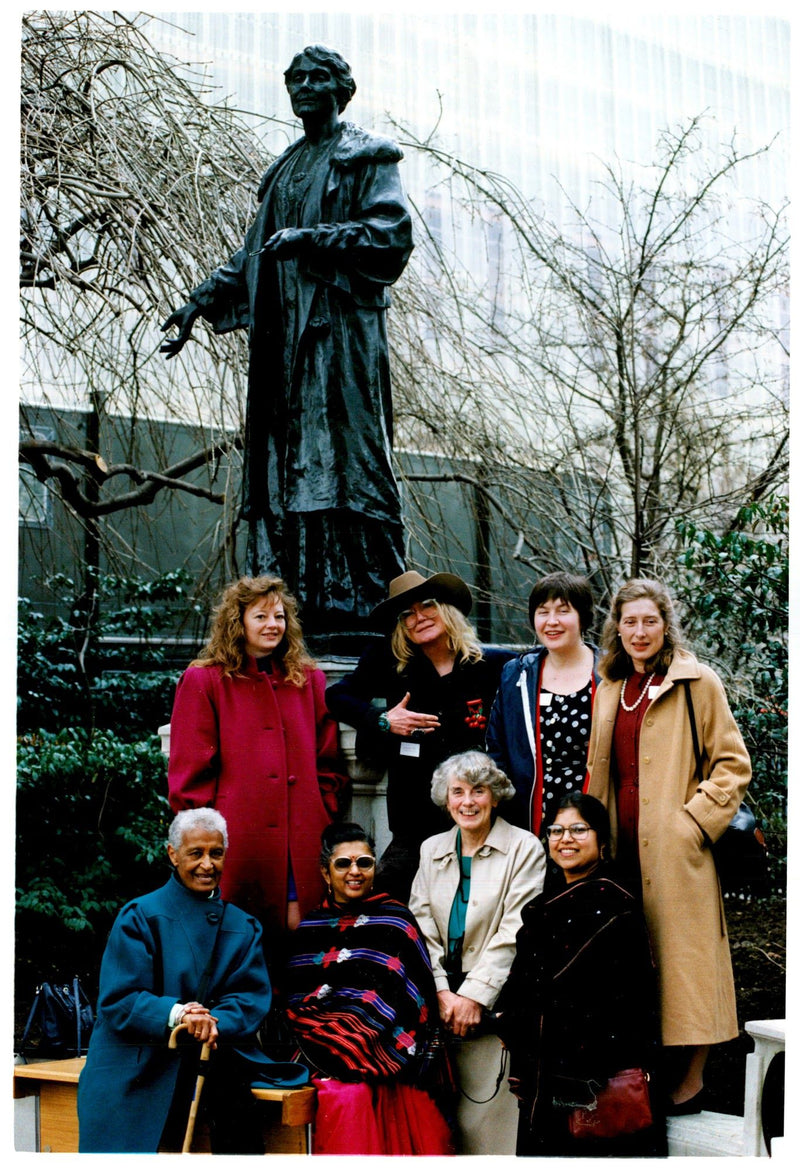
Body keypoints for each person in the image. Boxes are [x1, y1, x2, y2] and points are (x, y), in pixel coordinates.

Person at [160, 45, 413, 632]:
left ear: (340, 89)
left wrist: (312, 240)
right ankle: (298, 604)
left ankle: (361, 600)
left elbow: (390, 235)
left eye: (315, 77)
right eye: (294, 78)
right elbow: (253, 255)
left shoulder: (366, 156)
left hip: (338, 337)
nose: (302, 86)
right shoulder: (285, 169)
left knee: (347, 463)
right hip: (283, 347)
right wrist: (199, 300)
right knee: (286, 467)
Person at [586, 577, 751, 1112]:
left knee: (689, 963)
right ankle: (648, 1073)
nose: (639, 632)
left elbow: (731, 764)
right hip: (619, 849)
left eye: (649, 621)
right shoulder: (610, 686)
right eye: (629, 622)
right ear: (617, 627)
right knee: (636, 965)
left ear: (666, 625)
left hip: (678, 853)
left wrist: (693, 824)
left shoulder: (697, 682)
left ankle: (694, 1078)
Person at [77, 809, 306, 1153]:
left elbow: (248, 998)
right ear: (172, 854)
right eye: (195, 853)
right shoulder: (140, 915)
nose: (207, 865)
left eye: (216, 853)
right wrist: (179, 1015)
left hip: (211, 1053)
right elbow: (119, 1000)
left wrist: (209, 1023)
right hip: (141, 1060)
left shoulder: (243, 926)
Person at [168, 575, 347, 946]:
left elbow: (327, 759)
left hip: (303, 833)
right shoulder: (205, 679)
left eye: (279, 616)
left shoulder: (308, 678)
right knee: (241, 939)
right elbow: (190, 769)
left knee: (304, 930)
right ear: (239, 621)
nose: (273, 625)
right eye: (261, 616)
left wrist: (322, 810)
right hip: (239, 837)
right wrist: (204, 836)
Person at [325, 570, 516, 900]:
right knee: (389, 904)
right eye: (407, 614)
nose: (419, 618)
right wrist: (383, 720)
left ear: (446, 609)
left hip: (479, 820)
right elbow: (337, 696)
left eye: (427, 605)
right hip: (414, 826)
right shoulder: (388, 661)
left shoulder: (493, 665)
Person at [495, 793, 666, 1156]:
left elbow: (620, 994)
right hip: (543, 1073)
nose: (565, 839)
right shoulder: (546, 904)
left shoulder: (615, 905)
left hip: (591, 1073)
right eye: (556, 830)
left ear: (602, 841)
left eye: (578, 829)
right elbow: (523, 979)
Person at [284, 822, 453, 1155]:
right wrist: (343, 1032)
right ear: (325, 871)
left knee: (412, 1113)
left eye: (364, 862)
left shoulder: (396, 920)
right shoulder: (310, 928)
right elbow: (297, 1000)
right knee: (349, 1097)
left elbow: (415, 994)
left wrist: (366, 1033)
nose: (355, 871)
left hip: (390, 1050)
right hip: (325, 1051)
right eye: (343, 863)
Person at [409, 751, 546, 1154]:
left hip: (492, 1008)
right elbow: (420, 925)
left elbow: (515, 929)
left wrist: (473, 995)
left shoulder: (525, 848)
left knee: (487, 1133)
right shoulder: (431, 849)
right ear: (445, 798)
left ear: (496, 796)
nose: (468, 802)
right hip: (439, 1008)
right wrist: (441, 991)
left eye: (479, 791)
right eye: (458, 791)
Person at [487, 571, 601, 834]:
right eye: (543, 612)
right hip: (529, 814)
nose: (552, 622)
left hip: (593, 811)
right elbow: (497, 747)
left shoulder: (609, 673)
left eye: (563, 611)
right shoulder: (516, 674)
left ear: (582, 616)